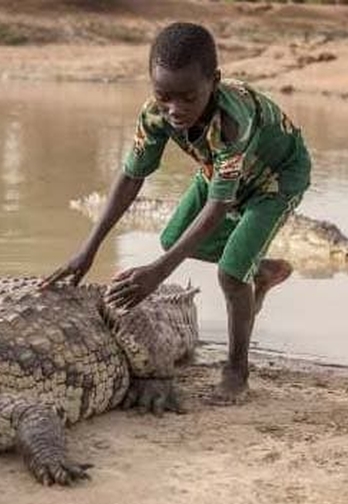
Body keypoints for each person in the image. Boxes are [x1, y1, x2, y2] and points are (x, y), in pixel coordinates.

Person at [40, 22, 311, 403]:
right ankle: (260, 272)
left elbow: (219, 205)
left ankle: (236, 372)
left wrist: (159, 271)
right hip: (217, 170)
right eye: (164, 95)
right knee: (171, 239)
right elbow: (132, 177)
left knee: (231, 274)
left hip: (275, 177)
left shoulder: (231, 122)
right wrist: (89, 248)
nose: (175, 110)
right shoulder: (155, 113)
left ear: (213, 82)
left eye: (187, 97)